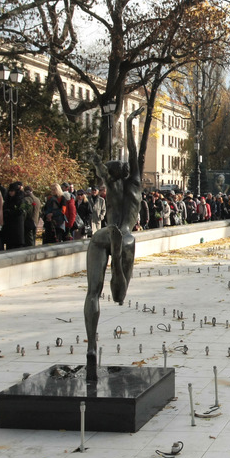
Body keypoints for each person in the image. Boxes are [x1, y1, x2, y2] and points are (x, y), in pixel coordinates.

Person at [84, 107, 144, 381]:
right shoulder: (135, 184)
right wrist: (132, 125)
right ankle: (118, 267)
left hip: (102, 236)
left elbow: (100, 169)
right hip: (126, 236)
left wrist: (96, 161)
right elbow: (133, 154)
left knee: (92, 293)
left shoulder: (110, 184)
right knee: (119, 296)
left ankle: (92, 347)